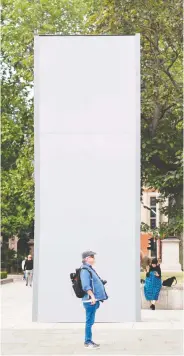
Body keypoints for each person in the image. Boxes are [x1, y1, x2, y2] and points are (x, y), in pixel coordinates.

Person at [80, 251, 108, 349]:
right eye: (92, 257)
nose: (94, 258)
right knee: (89, 321)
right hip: (90, 300)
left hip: (93, 300)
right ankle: (87, 342)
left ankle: (89, 340)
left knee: (90, 321)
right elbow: (86, 286)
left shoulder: (89, 269)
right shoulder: (85, 270)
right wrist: (92, 296)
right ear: (87, 258)